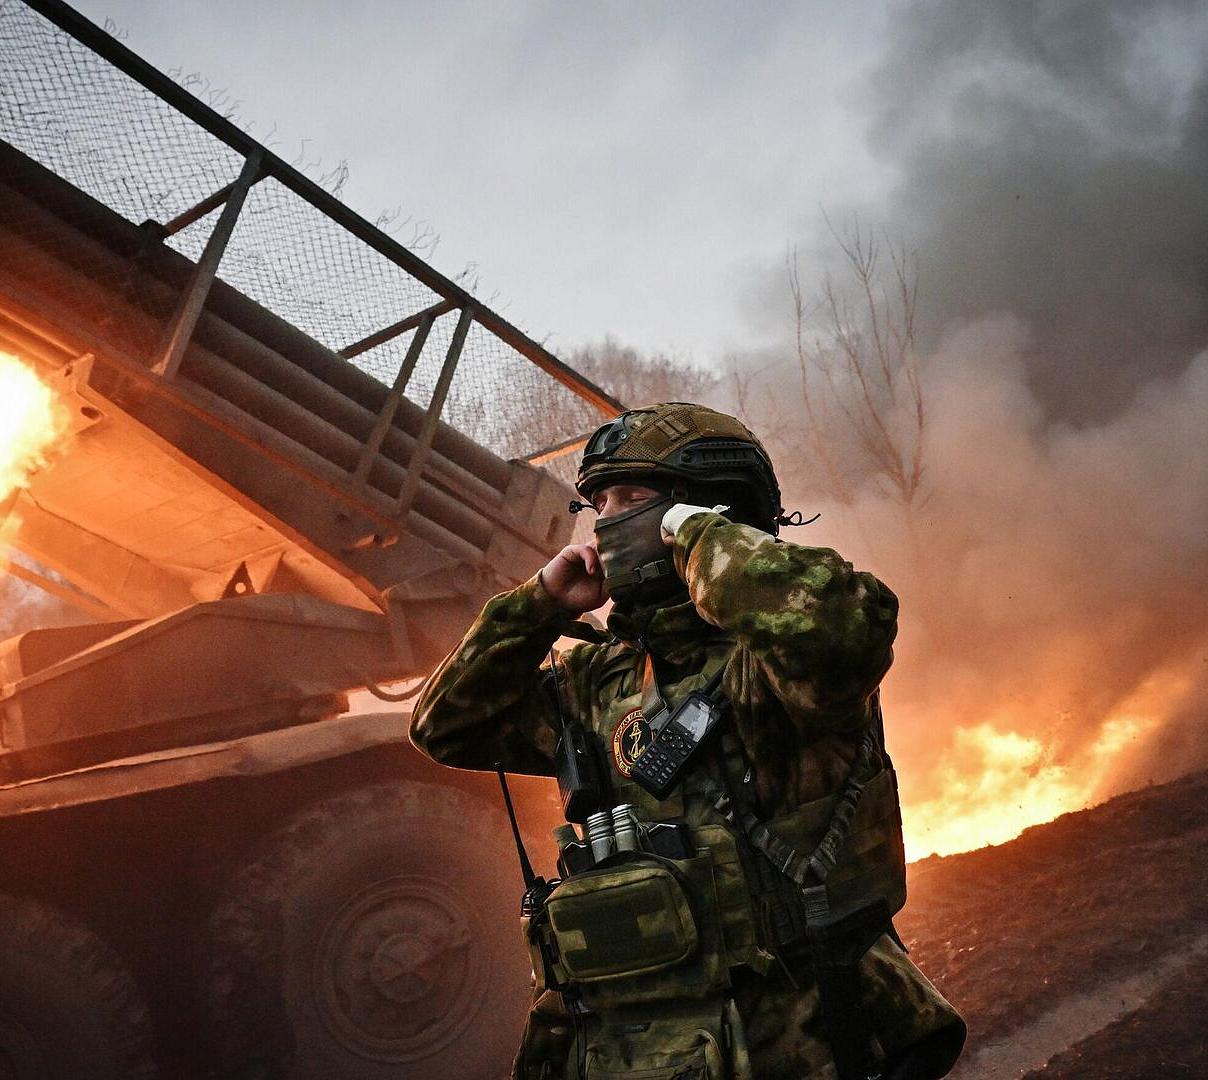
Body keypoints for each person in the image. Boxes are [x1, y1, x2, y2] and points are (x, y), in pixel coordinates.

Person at [411, 402, 965, 1080]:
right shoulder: (597, 679)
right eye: (599, 504)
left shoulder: (769, 667)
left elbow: (842, 631)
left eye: (631, 499)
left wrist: (700, 536)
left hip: (800, 1040)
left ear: (708, 510)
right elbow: (443, 725)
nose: (606, 522)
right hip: (634, 1050)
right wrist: (537, 606)